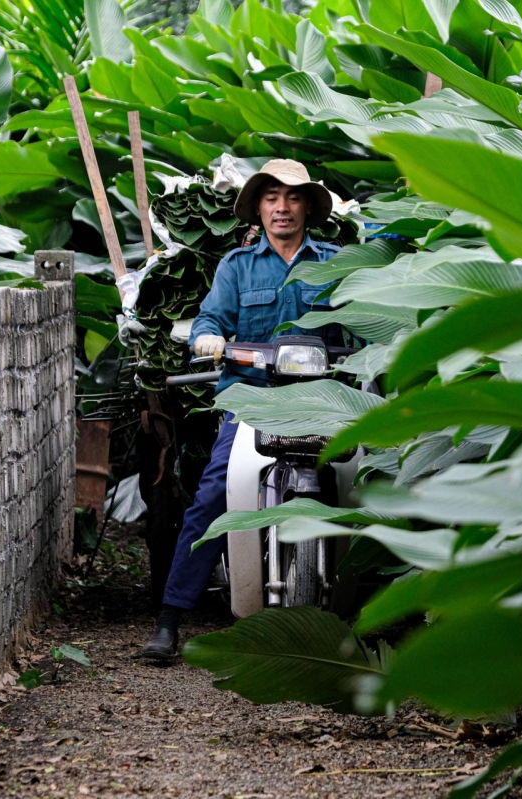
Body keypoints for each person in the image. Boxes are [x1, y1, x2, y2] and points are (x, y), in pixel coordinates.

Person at [138, 159, 342, 660]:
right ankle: (170, 617)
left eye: (293, 197)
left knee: (368, 481)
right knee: (214, 493)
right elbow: (211, 318)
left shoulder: (338, 262)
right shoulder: (237, 265)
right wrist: (209, 338)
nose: (282, 207)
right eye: (271, 197)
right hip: (251, 400)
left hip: (323, 399)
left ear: (307, 208)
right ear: (257, 208)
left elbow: (361, 322)